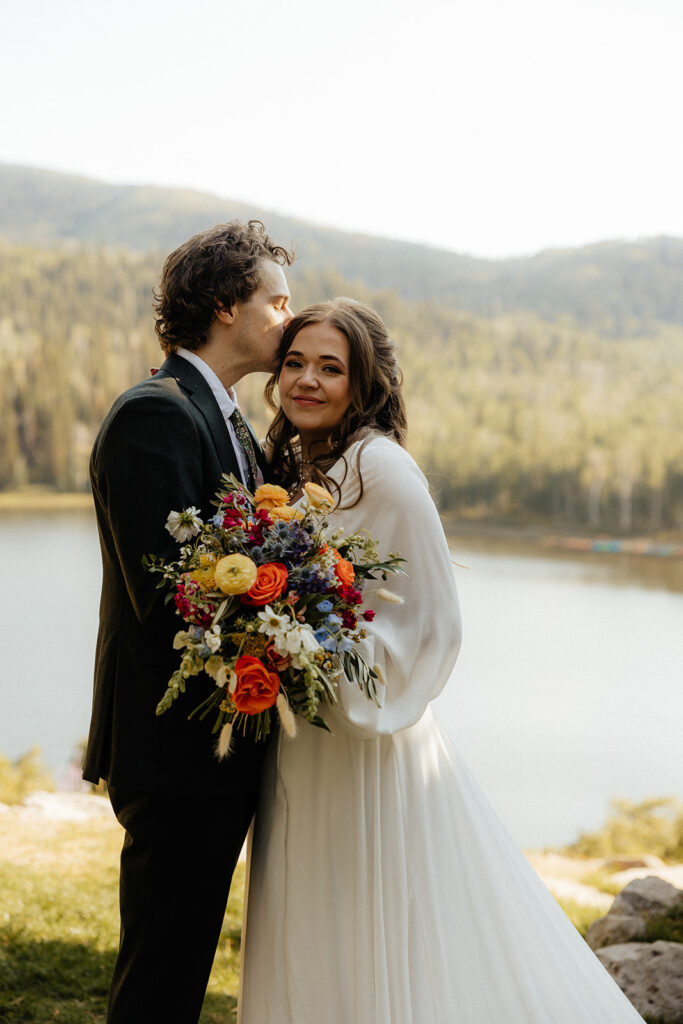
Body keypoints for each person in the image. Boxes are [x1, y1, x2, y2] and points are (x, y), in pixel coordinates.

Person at [237, 298, 645, 1023]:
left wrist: (310, 645)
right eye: (295, 363)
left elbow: (431, 622)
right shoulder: (300, 461)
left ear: (362, 385)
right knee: (307, 909)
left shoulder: (381, 469)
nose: (306, 380)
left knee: (359, 917)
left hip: (363, 743)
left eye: (330, 368)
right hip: (305, 740)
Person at [83, 220, 294, 1024]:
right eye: (275, 303)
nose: (288, 318)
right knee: (161, 977)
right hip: (173, 751)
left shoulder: (229, 418)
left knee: (183, 961)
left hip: (217, 747)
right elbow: (168, 595)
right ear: (223, 304)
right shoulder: (156, 414)